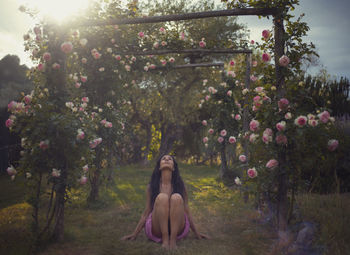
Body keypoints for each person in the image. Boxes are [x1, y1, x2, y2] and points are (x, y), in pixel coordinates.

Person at [122, 154, 209, 249]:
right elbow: (146, 212)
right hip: (157, 227)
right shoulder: (151, 187)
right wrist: (134, 234)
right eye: (164, 159)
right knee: (162, 197)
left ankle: (172, 240)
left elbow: (187, 211)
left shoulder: (181, 186)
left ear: (174, 167)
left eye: (170, 159)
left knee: (176, 197)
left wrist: (197, 233)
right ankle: (165, 239)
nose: (166, 160)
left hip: (178, 227)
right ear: (159, 166)